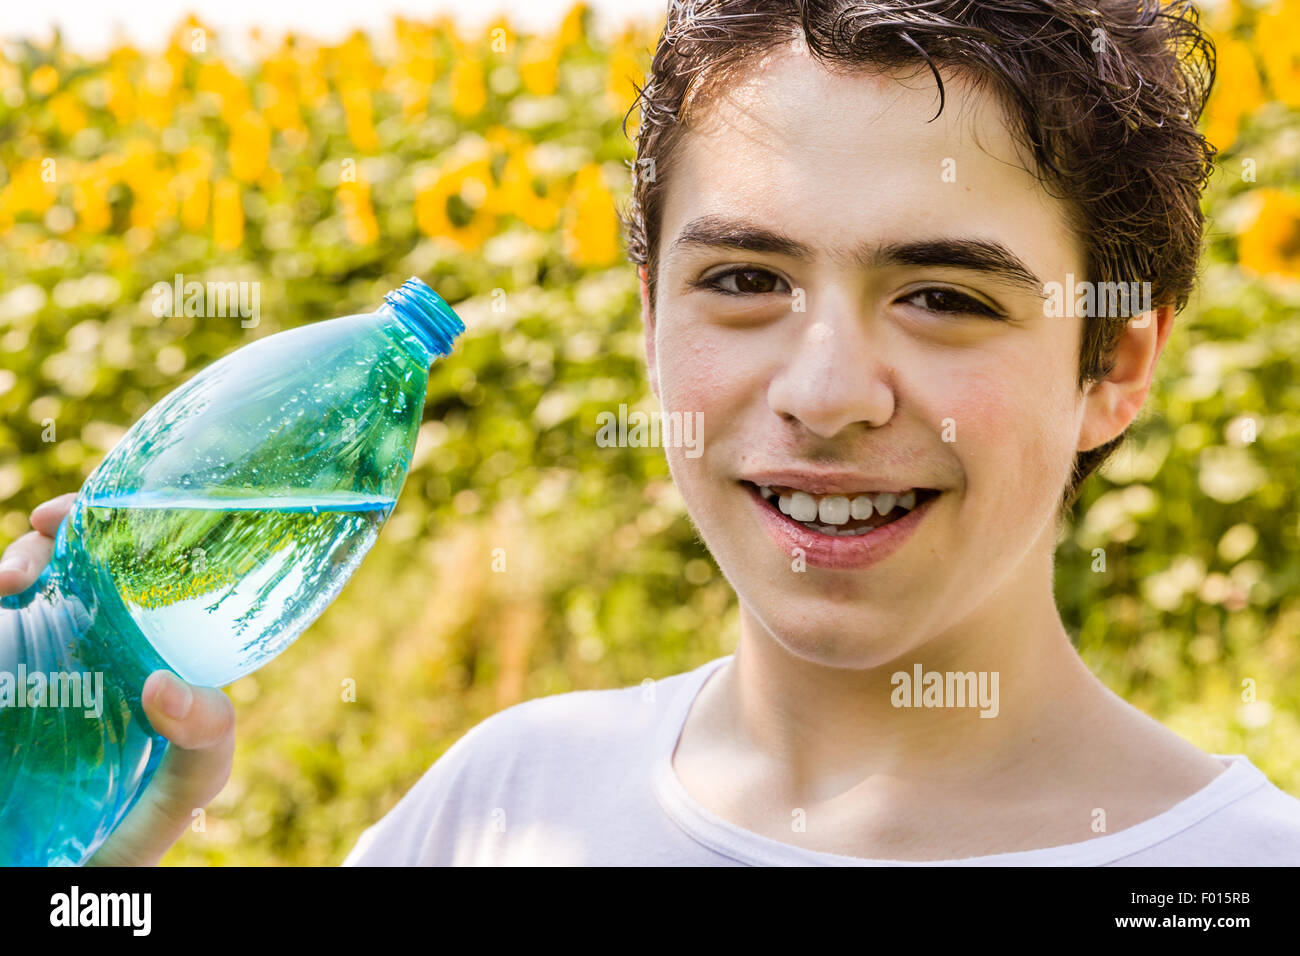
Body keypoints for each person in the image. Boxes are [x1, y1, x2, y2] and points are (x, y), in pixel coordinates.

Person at [5, 0, 1299, 865]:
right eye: (743, 281)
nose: (825, 390)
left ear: (1114, 360)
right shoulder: (498, 810)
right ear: (647, 315)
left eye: (945, 296)